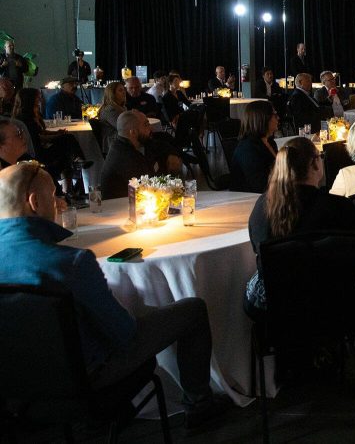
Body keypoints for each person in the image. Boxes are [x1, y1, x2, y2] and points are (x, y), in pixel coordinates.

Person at [0, 163, 233, 429]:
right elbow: (124, 333)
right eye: (53, 196)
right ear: (34, 202)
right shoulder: (70, 263)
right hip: (88, 380)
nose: (58, 203)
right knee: (192, 310)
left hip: (17, 391)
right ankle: (199, 404)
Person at [245, 138, 355, 390]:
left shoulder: (261, 209)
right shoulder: (340, 207)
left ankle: (290, 362)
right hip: (336, 307)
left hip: (280, 312)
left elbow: (260, 256)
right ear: (314, 164)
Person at [13, 88, 89, 201]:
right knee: (68, 140)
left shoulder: (34, 113)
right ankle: (78, 163)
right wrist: (57, 136)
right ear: (30, 99)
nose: (40, 99)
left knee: (66, 153)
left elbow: (41, 132)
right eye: (37, 97)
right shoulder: (25, 119)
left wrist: (56, 133)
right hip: (37, 152)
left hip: (41, 146)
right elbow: (38, 138)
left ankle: (69, 188)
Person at [99, 111, 161, 199]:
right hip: (121, 206)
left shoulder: (120, 145)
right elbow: (149, 188)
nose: (151, 128)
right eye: (146, 125)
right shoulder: (125, 158)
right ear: (133, 132)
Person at [230, 100, 279, 193]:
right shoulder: (247, 148)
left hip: (271, 191)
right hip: (251, 196)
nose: (278, 118)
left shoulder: (270, 142)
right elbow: (259, 185)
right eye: (275, 115)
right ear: (263, 118)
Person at [97, 81, 128, 154]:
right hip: (113, 142)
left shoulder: (122, 107)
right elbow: (121, 126)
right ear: (112, 94)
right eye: (120, 90)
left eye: (124, 90)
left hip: (121, 138)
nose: (124, 92)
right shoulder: (109, 110)